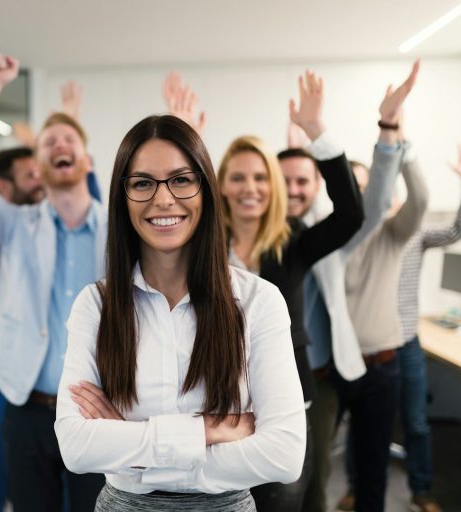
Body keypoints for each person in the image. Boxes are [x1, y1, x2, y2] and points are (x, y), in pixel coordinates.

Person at [55, 114, 306, 511]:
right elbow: (76, 446)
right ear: (122, 198)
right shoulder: (95, 305)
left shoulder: (259, 301)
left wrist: (136, 457)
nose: (163, 199)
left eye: (181, 179)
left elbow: (284, 454)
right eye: (142, 183)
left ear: (206, 190)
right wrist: (205, 430)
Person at [0, 53, 106, 512]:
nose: (60, 144)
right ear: (38, 165)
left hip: (97, 413)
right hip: (26, 408)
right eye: (49, 141)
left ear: (87, 160)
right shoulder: (16, 226)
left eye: (69, 138)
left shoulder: (119, 231)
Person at [215, 70, 364, 512]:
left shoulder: (293, 241)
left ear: (273, 186)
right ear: (221, 184)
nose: (250, 188)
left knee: (285, 501)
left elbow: (351, 215)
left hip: (286, 402)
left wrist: (317, 133)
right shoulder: (203, 248)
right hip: (215, 406)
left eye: (261, 178)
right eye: (238, 178)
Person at [338, 141, 461, 512]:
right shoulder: (351, 235)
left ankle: (421, 490)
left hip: (406, 341)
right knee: (360, 425)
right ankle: (355, 487)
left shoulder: (412, 231)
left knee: (416, 421)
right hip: (366, 346)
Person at [336, 65, 428, 512]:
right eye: (352, 188)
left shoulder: (392, 233)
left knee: (374, 464)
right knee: (313, 460)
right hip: (333, 367)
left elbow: (421, 200)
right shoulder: (331, 239)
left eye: (367, 187)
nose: (361, 195)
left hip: (381, 365)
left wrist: (401, 144)